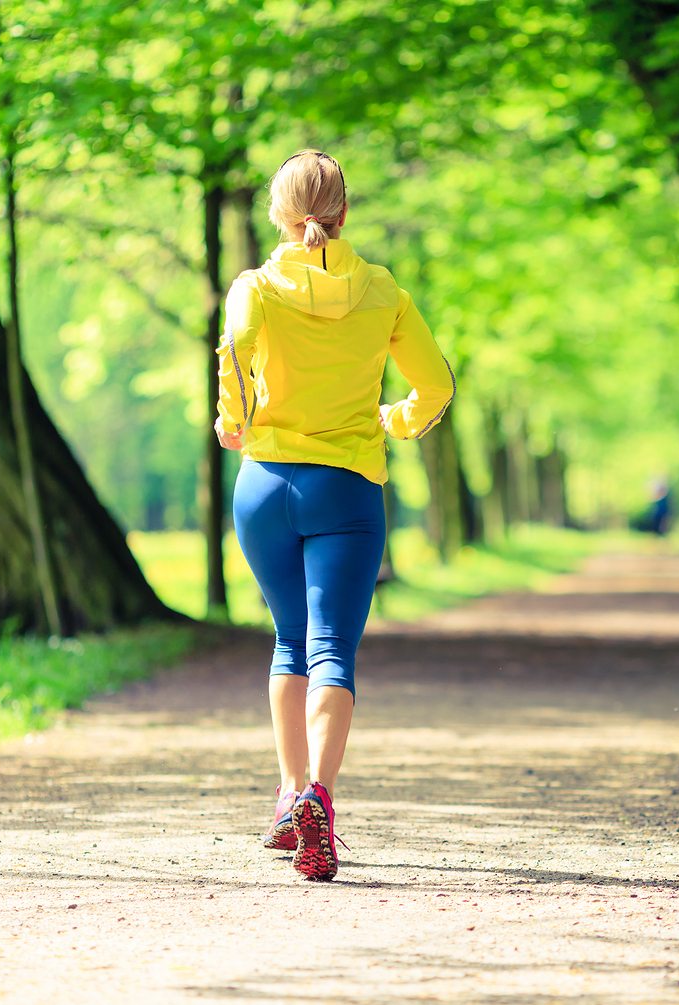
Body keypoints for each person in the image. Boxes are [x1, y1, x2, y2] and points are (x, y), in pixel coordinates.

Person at [214, 149, 454, 881]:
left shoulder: (253, 287)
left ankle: (290, 797)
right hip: (347, 487)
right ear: (344, 212)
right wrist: (396, 419)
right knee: (331, 651)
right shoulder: (382, 291)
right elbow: (437, 385)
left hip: (265, 486)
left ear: (277, 217)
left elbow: (233, 356)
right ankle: (318, 792)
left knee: (288, 638)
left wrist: (234, 421)